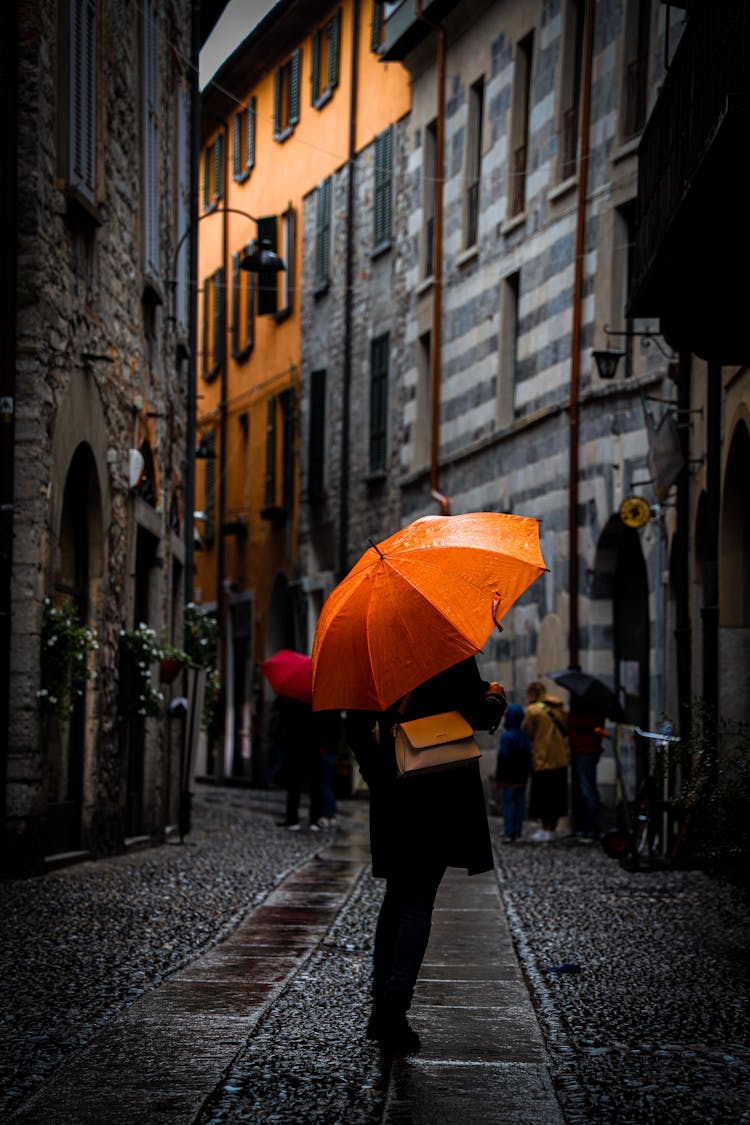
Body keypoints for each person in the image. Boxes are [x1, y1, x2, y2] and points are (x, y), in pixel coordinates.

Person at [346, 657, 506, 1055]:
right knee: (417, 902)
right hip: (441, 790)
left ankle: (380, 1005)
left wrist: (378, 776)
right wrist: (495, 700)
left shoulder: (375, 660)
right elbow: (475, 715)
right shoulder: (449, 656)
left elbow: (354, 726)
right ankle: (394, 1012)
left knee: (396, 899)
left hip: (393, 791)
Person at [523, 681, 569, 842]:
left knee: (542, 795)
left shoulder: (533, 710)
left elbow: (528, 732)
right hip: (560, 757)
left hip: (542, 758)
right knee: (557, 795)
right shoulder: (559, 708)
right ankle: (553, 829)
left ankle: (544, 828)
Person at [567, 696, 607, 842]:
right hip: (586, 751)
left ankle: (592, 827)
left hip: (584, 751)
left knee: (587, 790)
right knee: (587, 788)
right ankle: (589, 826)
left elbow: (572, 723)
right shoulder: (595, 713)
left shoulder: (583, 716)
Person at [495, 703, 532, 842]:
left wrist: (499, 778)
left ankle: (509, 831)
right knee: (520, 803)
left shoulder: (507, 737)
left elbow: (502, 758)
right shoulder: (524, 736)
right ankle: (517, 831)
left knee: (509, 804)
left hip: (509, 777)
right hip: (521, 776)